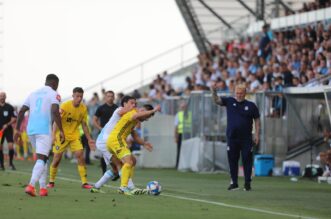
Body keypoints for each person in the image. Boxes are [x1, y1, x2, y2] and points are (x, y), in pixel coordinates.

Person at [14, 74, 65, 197]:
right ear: (55, 84)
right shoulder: (54, 93)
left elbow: (21, 111)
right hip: (43, 130)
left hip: (31, 130)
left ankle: (42, 188)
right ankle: (31, 185)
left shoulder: (33, 93)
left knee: (43, 158)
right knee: (42, 158)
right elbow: (54, 111)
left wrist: (17, 130)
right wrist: (61, 130)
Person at [211, 83, 260, 191]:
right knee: (232, 160)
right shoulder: (229, 101)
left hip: (246, 138)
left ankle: (247, 183)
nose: (239, 95)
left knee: (247, 160)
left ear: (245, 93)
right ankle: (234, 182)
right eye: (237, 93)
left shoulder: (251, 106)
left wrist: (256, 134)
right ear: (234, 93)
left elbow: (257, 120)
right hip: (232, 137)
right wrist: (214, 91)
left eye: (241, 93)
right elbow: (217, 100)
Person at [107, 100, 160, 195]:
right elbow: (136, 115)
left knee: (133, 161)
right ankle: (123, 187)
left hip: (114, 141)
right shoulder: (134, 112)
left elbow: (135, 136)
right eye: (146, 116)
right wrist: (153, 110)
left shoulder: (135, 121)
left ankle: (130, 186)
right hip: (116, 140)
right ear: (142, 110)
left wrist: (144, 143)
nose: (146, 119)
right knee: (128, 161)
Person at [47, 87, 95, 189]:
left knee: (80, 155)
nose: (79, 98)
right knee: (57, 158)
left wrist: (89, 139)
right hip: (62, 135)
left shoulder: (83, 108)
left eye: (81, 97)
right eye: (77, 96)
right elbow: (56, 121)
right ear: (73, 95)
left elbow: (84, 125)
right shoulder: (65, 105)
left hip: (74, 135)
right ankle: (51, 181)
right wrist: (53, 134)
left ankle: (84, 182)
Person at [90, 95, 137, 193]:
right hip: (105, 141)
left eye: (135, 103)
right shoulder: (119, 110)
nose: (134, 105)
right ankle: (130, 187)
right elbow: (125, 112)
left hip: (110, 142)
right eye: (131, 103)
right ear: (124, 104)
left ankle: (96, 187)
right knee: (121, 163)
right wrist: (140, 111)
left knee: (116, 169)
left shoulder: (129, 117)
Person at [92, 90, 118, 175]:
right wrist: (100, 128)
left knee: (114, 153)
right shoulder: (101, 108)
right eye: (108, 96)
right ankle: (104, 172)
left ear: (114, 97)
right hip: (104, 134)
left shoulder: (117, 108)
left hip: (114, 134)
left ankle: (116, 171)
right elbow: (94, 120)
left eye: (111, 96)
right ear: (105, 97)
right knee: (105, 153)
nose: (110, 98)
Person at [0, 92, 17, 170]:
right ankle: (1, 165)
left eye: (3, 96)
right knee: (0, 147)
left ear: (5, 97)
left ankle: (10, 163)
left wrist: (7, 124)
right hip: (0, 131)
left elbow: (14, 118)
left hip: (8, 129)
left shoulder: (10, 107)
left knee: (10, 146)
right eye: (1, 96)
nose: (2, 97)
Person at [174, 101, 191, 168]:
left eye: (184, 107)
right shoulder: (178, 114)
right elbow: (176, 127)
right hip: (181, 134)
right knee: (179, 150)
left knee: (188, 150)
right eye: (182, 107)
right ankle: (178, 165)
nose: (183, 108)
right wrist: (176, 137)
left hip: (188, 134)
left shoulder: (190, 114)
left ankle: (187, 165)